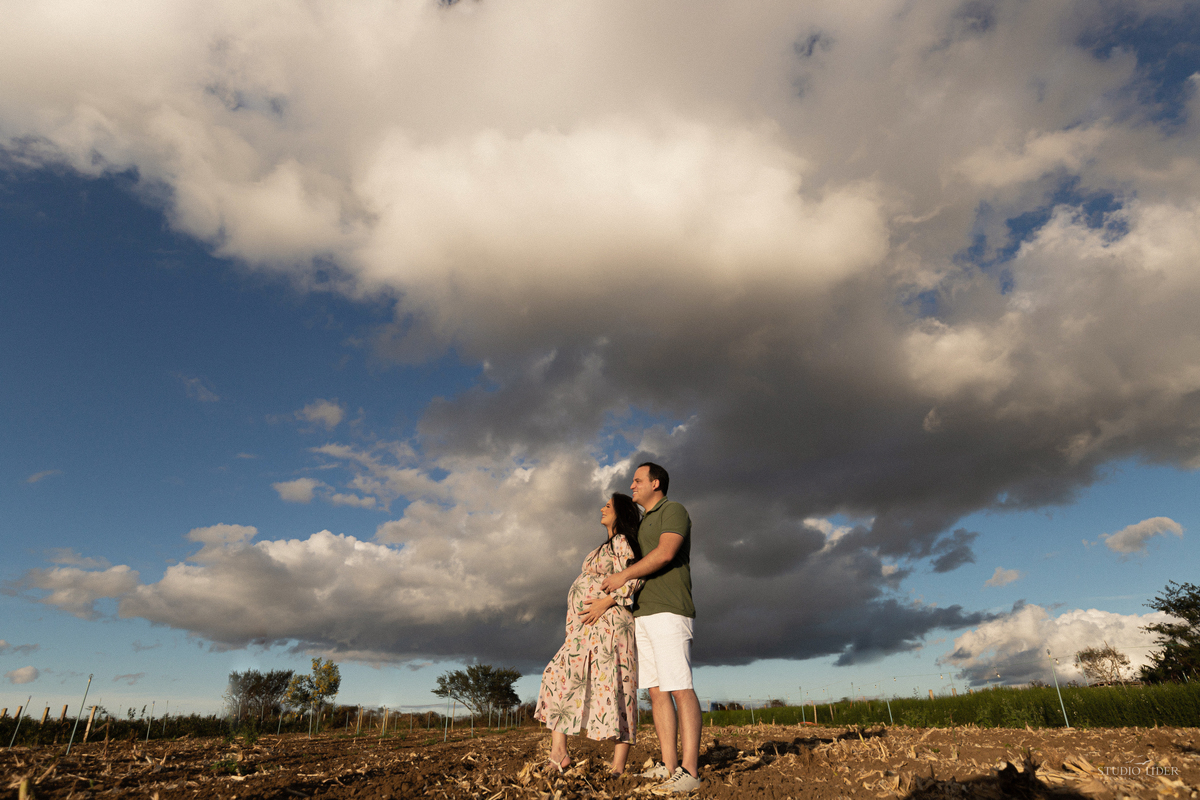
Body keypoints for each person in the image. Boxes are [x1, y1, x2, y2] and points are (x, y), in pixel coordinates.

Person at [600, 462, 701, 794]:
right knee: (656, 692)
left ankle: (690, 771)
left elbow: (666, 553)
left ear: (656, 483)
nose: (632, 486)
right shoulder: (643, 522)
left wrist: (623, 576)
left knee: (680, 688)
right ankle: (669, 767)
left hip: (670, 610)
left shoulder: (673, 510)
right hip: (643, 614)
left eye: (637, 480)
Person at [534, 492, 644, 775]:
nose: (602, 509)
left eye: (608, 506)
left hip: (610, 624)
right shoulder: (606, 544)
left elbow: (635, 575)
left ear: (621, 512)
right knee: (557, 674)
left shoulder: (622, 541)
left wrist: (605, 602)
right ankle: (559, 753)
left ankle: (618, 766)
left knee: (618, 685)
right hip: (587, 628)